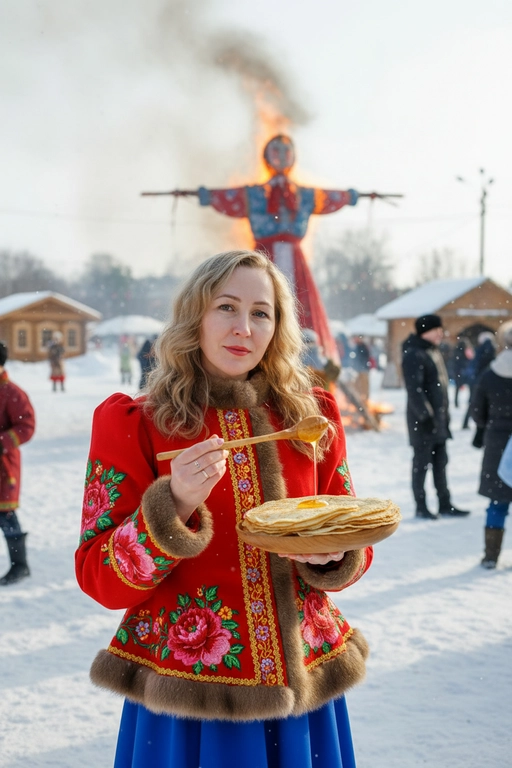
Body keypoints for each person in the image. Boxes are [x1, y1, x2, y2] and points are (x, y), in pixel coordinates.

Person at [76, 249, 373, 768]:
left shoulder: (311, 416)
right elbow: (98, 576)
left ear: (279, 326)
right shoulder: (136, 423)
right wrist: (174, 505)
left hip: (303, 686)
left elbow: (352, 533)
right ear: (195, 317)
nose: (244, 327)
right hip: (188, 702)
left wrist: (334, 555)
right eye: (226, 307)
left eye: (261, 312)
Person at [402, 314, 470, 520]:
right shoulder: (414, 354)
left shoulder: (434, 351)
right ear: (425, 331)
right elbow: (415, 391)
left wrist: (443, 417)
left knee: (441, 463)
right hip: (423, 422)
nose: (441, 333)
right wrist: (427, 417)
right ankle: (421, 506)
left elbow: (439, 389)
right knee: (421, 465)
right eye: (437, 329)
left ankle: (445, 503)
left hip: (439, 421)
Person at [471, 321, 512, 568]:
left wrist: (491, 424)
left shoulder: (490, 373)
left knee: (498, 502)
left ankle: (490, 556)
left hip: (498, 441)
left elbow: (477, 411)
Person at [0, 342, 36, 585]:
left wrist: (2, 441)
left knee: (6, 515)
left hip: (3, 467)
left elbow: (27, 427)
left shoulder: (12, 393)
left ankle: (19, 565)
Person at [462, 331, 496, 429]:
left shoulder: (480, 350)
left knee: (474, 402)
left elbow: (475, 365)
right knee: (483, 403)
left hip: (476, 380)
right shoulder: (490, 349)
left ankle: (470, 423)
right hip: (485, 381)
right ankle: (481, 425)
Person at [451, 337, 473, 408]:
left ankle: (456, 402)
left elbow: (454, 361)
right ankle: (470, 401)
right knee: (470, 387)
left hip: (458, 371)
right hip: (465, 371)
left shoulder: (456, 351)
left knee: (457, 388)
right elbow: (471, 358)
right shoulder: (466, 350)